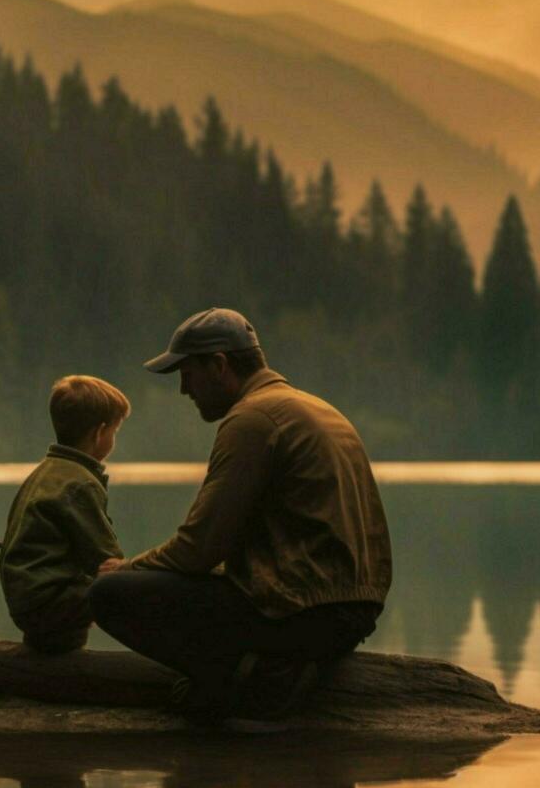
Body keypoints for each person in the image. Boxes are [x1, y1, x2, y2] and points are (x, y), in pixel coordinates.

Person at [92, 307, 392, 721]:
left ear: (219, 365)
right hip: (351, 613)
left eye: (187, 373)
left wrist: (124, 570)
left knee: (107, 597)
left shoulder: (252, 420)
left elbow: (197, 549)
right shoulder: (314, 408)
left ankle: (244, 683)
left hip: (301, 615)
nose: (183, 389)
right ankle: (260, 670)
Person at [0, 375, 129, 654]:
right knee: (125, 586)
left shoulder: (45, 471)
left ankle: (53, 653)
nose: (113, 438)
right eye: (114, 431)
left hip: (26, 603)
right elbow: (106, 555)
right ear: (99, 433)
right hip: (49, 604)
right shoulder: (80, 483)